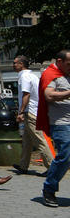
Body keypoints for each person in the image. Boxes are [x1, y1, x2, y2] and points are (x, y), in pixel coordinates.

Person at [37, 49, 70, 207]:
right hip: (61, 124)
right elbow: (49, 95)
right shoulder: (51, 76)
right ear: (59, 61)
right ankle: (49, 189)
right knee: (65, 156)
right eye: (69, 63)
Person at [11, 55, 53, 175]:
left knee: (40, 140)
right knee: (27, 140)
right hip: (34, 110)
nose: (13, 65)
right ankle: (23, 165)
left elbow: (26, 95)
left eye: (15, 63)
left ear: (21, 64)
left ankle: (51, 167)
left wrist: (21, 112)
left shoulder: (24, 77)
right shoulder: (33, 75)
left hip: (30, 112)